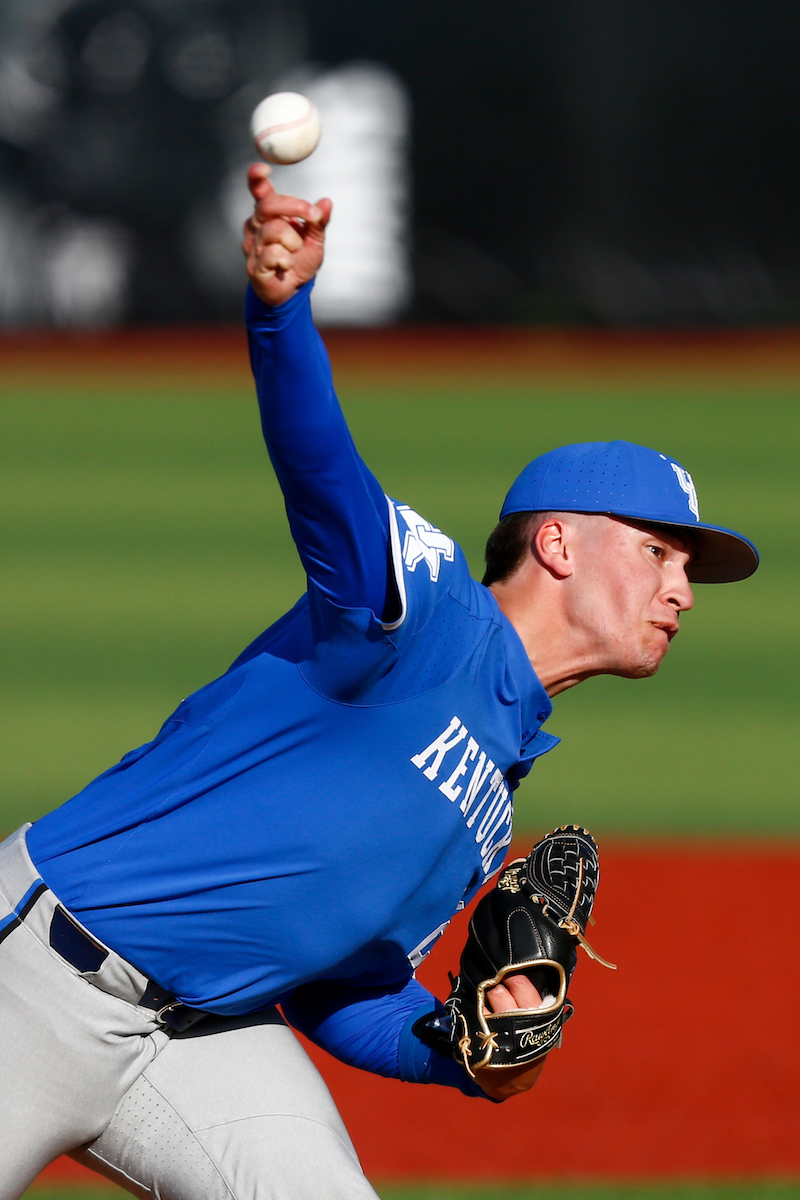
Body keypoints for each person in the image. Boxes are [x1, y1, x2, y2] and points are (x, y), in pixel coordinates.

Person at [0, 166, 759, 1200]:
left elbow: (335, 991)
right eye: (661, 553)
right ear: (558, 544)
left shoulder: (496, 788)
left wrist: (464, 1047)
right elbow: (322, 473)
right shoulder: (425, 608)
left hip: (200, 1037)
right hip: (41, 981)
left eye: (686, 570)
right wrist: (280, 312)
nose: (681, 589)